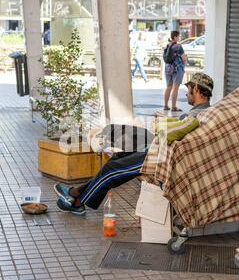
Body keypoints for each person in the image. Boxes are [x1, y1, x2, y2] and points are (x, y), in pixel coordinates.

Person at [54, 73, 215, 216]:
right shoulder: (201, 113)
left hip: (160, 158)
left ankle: (78, 202)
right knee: (118, 156)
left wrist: (161, 124)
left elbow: (170, 132)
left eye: (189, 89)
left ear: (197, 90)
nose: (186, 92)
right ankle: (76, 192)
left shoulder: (196, 115)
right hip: (158, 150)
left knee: (112, 170)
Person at [163, 30, 187, 112]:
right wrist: (184, 64)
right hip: (177, 69)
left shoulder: (167, 45)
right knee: (175, 88)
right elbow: (184, 58)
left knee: (168, 87)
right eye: (178, 36)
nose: (179, 37)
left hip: (168, 69)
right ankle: (173, 107)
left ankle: (166, 106)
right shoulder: (178, 46)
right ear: (175, 37)